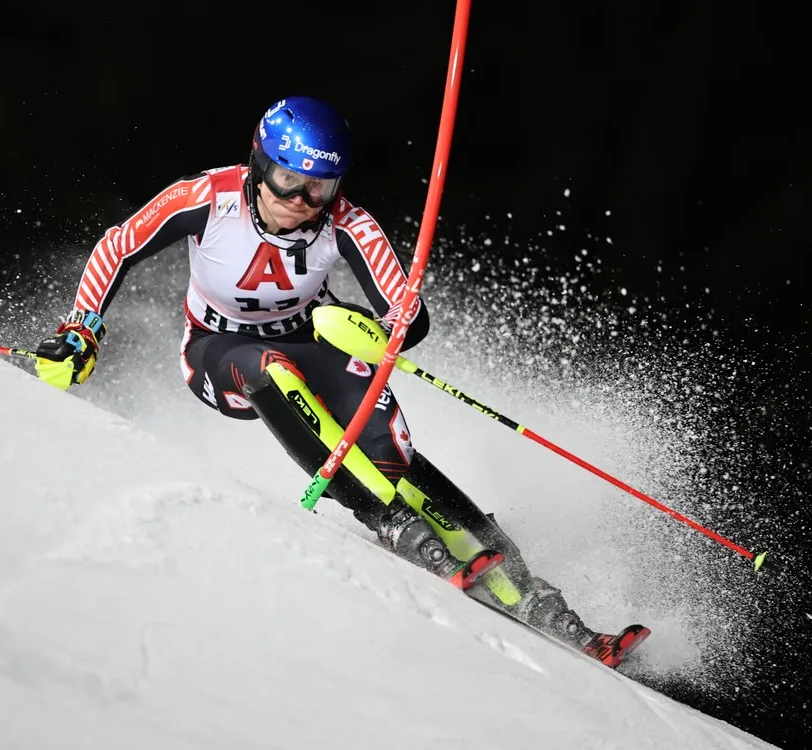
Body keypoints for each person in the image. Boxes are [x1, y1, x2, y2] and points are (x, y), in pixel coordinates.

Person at [33, 96, 642, 665]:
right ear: (259, 165)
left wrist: (399, 320)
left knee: (393, 453)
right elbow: (119, 245)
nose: (300, 200)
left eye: (318, 186)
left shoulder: (347, 223)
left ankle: (535, 591)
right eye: (287, 180)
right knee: (270, 371)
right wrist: (83, 328)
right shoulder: (206, 198)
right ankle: (386, 520)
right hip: (219, 349)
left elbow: (403, 309)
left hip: (312, 339)